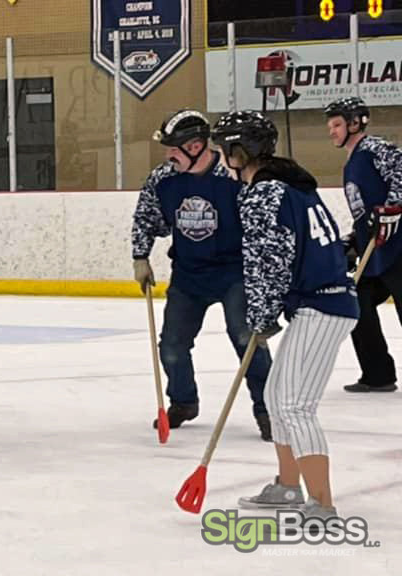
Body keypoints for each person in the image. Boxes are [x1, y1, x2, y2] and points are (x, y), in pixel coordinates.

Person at [211, 110, 359, 519]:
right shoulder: (292, 184)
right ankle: (289, 487)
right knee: (278, 399)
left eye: (225, 149)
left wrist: (259, 315)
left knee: (294, 406)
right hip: (321, 302)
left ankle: (322, 504)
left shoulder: (264, 193)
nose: (222, 157)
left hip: (322, 304)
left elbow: (269, 260)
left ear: (241, 151)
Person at [131, 110, 272, 441]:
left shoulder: (234, 177)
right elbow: (146, 216)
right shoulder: (163, 179)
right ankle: (183, 401)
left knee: (246, 339)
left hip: (234, 273)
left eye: (174, 148)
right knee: (172, 346)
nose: (168, 156)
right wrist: (140, 255)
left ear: (195, 146)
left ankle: (268, 409)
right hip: (188, 276)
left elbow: (261, 224)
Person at [324, 97, 402, 393]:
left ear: (355, 123)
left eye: (337, 124)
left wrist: (394, 206)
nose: (331, 131)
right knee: (358, 304)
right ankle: (378, 374)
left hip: (399, 248)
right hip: (377, 253)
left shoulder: (374, 149)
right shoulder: (352, 161)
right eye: (330, 125)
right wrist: (354, 240)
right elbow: (365, 213)